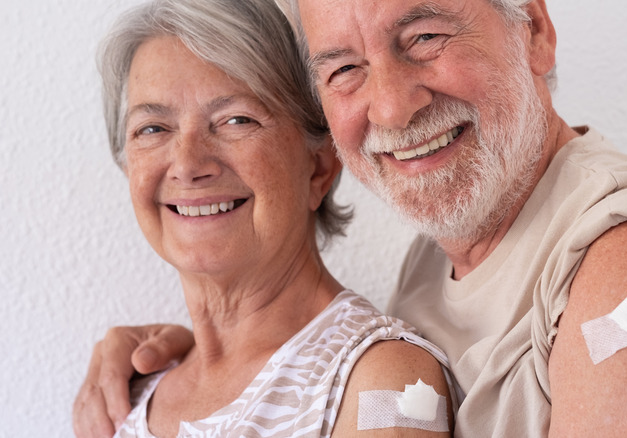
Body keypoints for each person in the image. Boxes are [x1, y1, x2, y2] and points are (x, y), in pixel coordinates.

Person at [76, 0, 627, 436]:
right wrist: (209, 361)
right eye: (344, 68)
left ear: (533, 29)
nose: (391, 107)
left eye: (423, 38)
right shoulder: (438, 262)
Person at [73, 0, 457, 436]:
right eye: (153, 129)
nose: (187, 163)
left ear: (318, 168)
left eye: (237, 120)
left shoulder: (386, 378)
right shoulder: (129, 392)